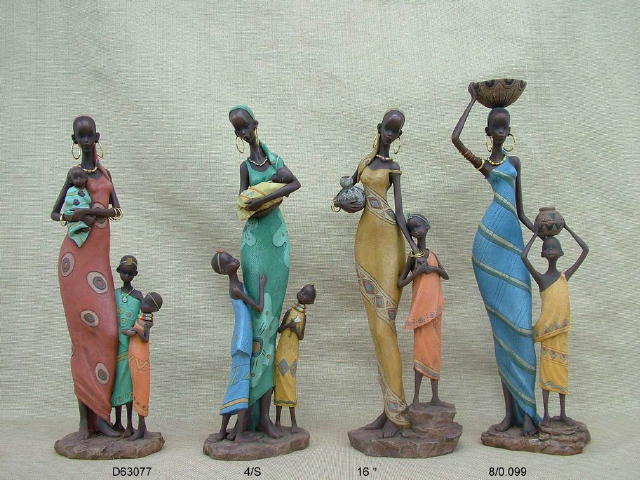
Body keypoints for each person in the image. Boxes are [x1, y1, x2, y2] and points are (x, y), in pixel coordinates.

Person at [451, 85, 539, 435]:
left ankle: (529, 412)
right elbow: (455, 139)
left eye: (505, 126)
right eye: (495, 127)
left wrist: (541, 233)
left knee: (520, 327)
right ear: (488, 132)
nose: (501, 131)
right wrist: (472, 101)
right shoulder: (487, 165)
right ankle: (511, 415)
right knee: (500, 330)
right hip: (488, 243)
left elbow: (520, 210)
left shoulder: (514, 163)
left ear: (509, 130)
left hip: (512, 243)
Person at [339, 110, 424, 438]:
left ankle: (398, 414)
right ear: (380, 128)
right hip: (366, 239)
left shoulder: (393, 168)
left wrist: (414, 249)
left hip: (389, 239)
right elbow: (348, 192)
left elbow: (399, 212)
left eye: (395, 131)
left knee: (385, 324)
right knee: (375, 328)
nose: (390, 134)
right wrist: (342, 202)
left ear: (398, 136)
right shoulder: (364, 162)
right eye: (387, 128)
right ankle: (388, 408)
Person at [228, 105, 301, 437]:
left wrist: (270, 194)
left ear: (255, 125)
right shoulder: (245, 167)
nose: (242, 133)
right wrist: (258, 201)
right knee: (258, 323)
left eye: (245, 126)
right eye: (237, 129)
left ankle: (265, 417)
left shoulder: (275, 162)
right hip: (254, 243)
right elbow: (243, 203)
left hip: (277, 242)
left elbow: (294, 183)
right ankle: (250, 413)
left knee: (270, 327)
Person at [50, 115, 123, 439]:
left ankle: (101, 414)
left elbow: (117, 210)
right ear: (74, 140)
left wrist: (92, 211)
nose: (86, 141)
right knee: (83, 337)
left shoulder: (105, 174)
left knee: (107, 331)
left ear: (97, 136)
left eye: (89, 135)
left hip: (99, 262)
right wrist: (77, 214)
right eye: (80, 136)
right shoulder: (73, 175)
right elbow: (56, 213)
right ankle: (87, 422)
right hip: (76, 258)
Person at [521, 224, 588, 425]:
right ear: (543, 254)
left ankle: (563, 413)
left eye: (554, 248)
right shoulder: (542, 279)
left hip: (561, 332)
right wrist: (535, 234)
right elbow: (524, 257)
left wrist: (566, 227)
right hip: (548, 333)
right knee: (547, 373)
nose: (551, 251)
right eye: (548, 249)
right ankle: (546, 414)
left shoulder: (563, 277)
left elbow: (585, 250)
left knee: (561, 371)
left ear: (560, 253)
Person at [211, 248, 267, 443]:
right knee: (241, 387)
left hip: (243, 335)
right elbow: (258, 307)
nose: (235, 260)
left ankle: (224, 431)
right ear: (225, 270)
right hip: (243, 338)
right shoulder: (235, 288)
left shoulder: (238, 285)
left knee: (237, 385)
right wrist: (261, 286)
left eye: (232, 257)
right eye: (230, 261)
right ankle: (239, 434)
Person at [397, 214, 451, 407]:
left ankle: (435, 397)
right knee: (421, 352)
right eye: (412, 229)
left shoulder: (433, 254)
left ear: (427, 227)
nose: (416, 231)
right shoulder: (413, 257)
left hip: (435, 310)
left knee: (434, 352)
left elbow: (445, 275)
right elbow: (400, 282)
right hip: (421, 312)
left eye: (418, 226)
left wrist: (434, 270)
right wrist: (418, 272)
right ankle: (416, 398)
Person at [274, 284, 316, 433]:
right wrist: (288, 326)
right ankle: (277, 421)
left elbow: (301, 336)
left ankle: (293, 422)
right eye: (302, 291)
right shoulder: (289, 311)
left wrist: (295, 330)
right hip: (282, 351)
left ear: (310, 300)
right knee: (280, 381)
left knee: (290, 383)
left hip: (292, 352)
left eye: (306, 294)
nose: (302, 294)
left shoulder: (304, 316)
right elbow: (279, 329)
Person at [122, 292, 163, 441]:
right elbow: (139, 299)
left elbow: (145, 338)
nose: (142, 303)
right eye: (143, 300)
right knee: (135, 387)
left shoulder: (147, 322)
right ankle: (141, 427)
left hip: (141, 357)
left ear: (153, 309)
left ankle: (140, 428)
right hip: (134, 354)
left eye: (145, 302)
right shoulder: (142, 316)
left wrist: (136, 331)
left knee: (141, 389)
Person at [111, 255, 143, 437]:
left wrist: (136, 329)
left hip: (130, 348)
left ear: (135, 274)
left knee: (129, 387)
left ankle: (130, 423)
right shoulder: (113, 294)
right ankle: (117, 422)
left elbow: (144, 318)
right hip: (114, 347)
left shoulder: (138, 296)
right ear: (119, 272)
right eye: (123, 273)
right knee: (115, 386)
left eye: (130, 273)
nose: (126, 276)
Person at [62, 166, 95, 247]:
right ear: (71, 180)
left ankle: (82, 228)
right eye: (76, 178)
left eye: (81, 177)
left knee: (87, 218)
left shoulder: (84, 191)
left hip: (83, 210)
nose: (79, 180)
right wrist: (73, 201)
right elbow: (67, 199)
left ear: (85, 179)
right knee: (73, 218)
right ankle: (75, 230)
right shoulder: (70, 190)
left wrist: (83, 195)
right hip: (72, 209)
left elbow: (88, 200)